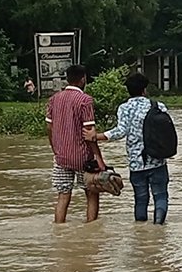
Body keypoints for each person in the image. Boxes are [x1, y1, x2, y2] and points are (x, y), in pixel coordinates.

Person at [85, 73, 171, 225]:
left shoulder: (124, 108)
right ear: (144, 90)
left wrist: (96, 136)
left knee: (140, 198)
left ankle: (140, 232)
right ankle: (159, 228)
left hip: (136, 164)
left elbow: (120, 131)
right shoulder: (158, 106)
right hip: (157, 160)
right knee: (161, 196)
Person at [46, 65, 106, 223]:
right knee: (91, 193)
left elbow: (49, 127)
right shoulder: (85, 100)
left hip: (61, 157)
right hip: (83, 157)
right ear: (83, 79)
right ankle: (91, 228)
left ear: (67, 78)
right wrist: (98, 158)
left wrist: (55, 149)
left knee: (63, 195)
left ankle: (59, 228)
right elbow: (89, 132)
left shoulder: (54, 99)